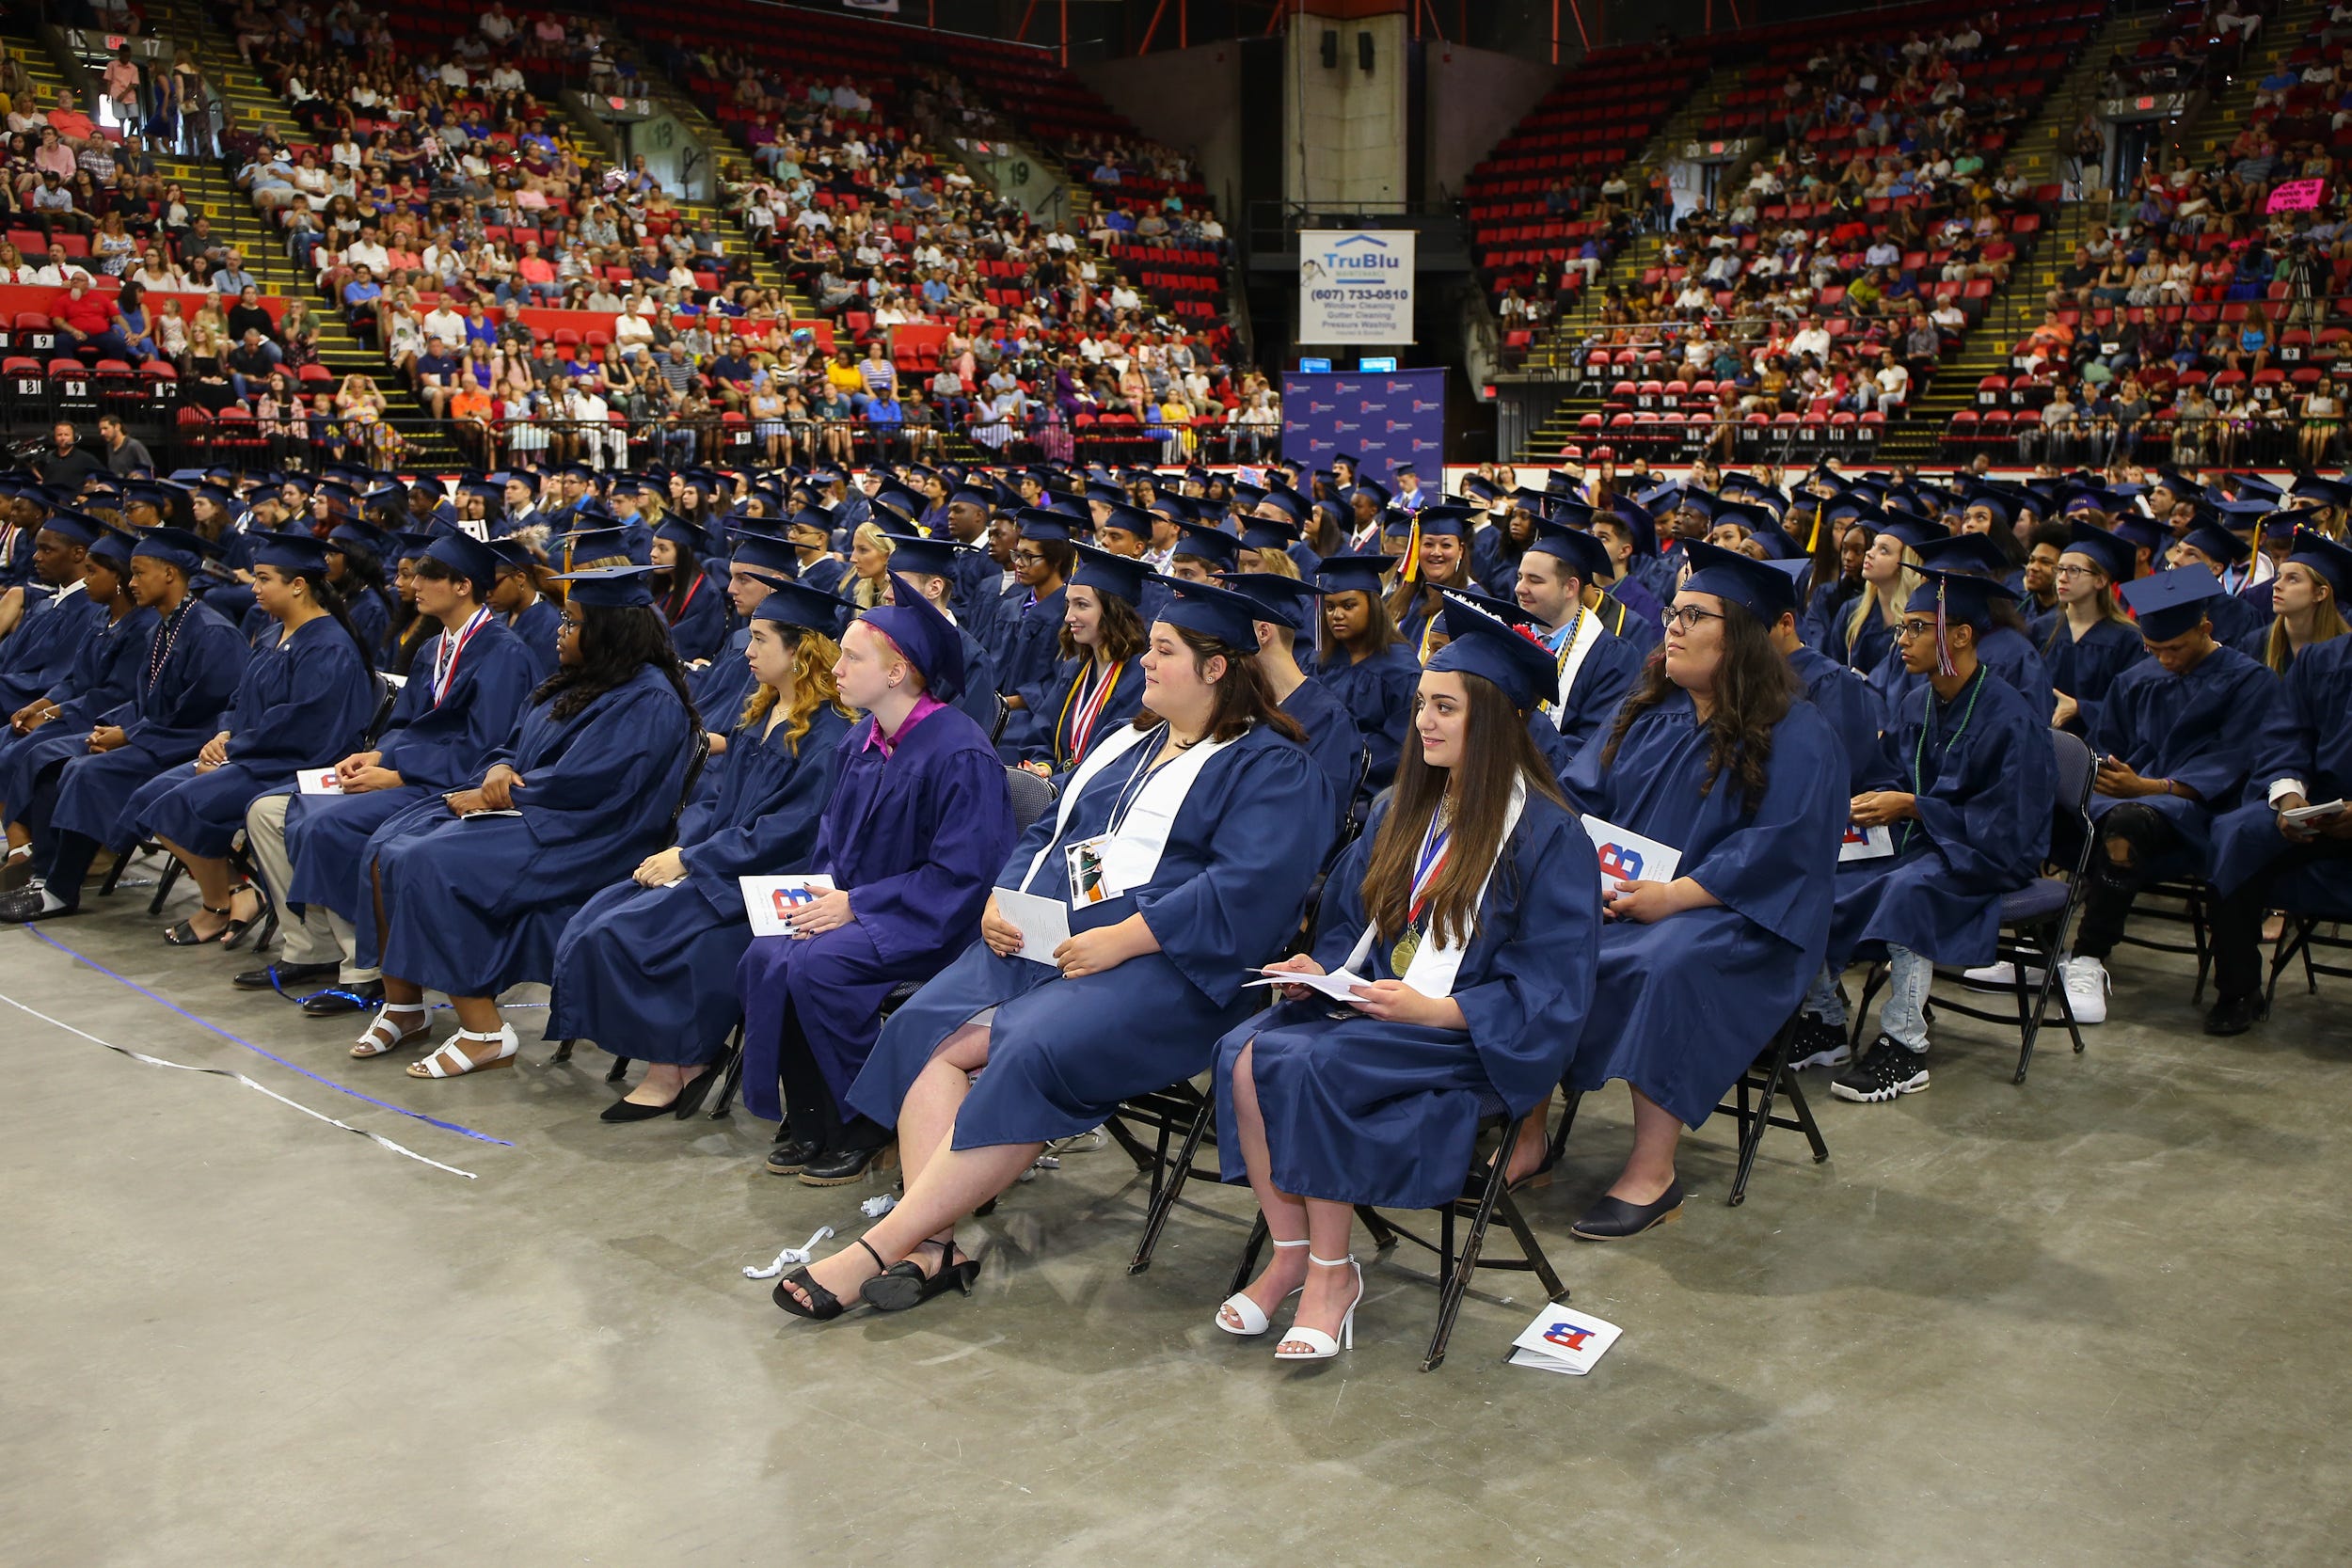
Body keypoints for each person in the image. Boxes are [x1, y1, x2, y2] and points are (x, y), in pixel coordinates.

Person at [771, 580, 1334, 1319]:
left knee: (1027, 1048)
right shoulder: (1127, 742)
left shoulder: (1272, 767)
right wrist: (999, 898)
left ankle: (878, 1246)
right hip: (1046, 940)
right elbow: (1047, 829)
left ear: (1217, 667)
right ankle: (936, 1247)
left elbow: (1244, 889)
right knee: (924, 1029)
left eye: (1164, 652)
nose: (1146, 665)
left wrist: (1122, 941)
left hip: (1169, 969)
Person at [1213, 594, 1601, 1359]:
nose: (1423, 721)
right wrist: (1317, 969)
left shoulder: (1552, 837)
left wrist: (1442, 1013)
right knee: (1243, 1053)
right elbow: (1350, 928)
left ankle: (1333, 1274)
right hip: (1380, 1008)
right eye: (1423, 703)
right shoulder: (1403, 808)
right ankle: (1291, 1251)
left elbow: (1554, 985)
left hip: (1467, 1037)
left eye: (1446, 708)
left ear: (1494, 720)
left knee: (1311, 1064)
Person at [1558, 544, 1845, 1239]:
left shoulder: (1797, 733)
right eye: (1673, 613)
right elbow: (1577, 798)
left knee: (1666, 962)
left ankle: (1654, 1171)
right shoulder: (1647, 711)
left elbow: (1779, 848)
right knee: (1545, 936)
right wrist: (1578, 874)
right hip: (1631, 900)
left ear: (1741, 634)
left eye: (1694, 614)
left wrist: (1675, 896)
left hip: (1741, 921)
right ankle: (1530, 1135)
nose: (1672, 627)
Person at [350, 564, 699, 1080]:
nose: (561, 632)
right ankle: (404, 1005)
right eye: (563, 620)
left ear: (609, 632)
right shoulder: (576, 681)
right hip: (531, 812)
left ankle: (485, 1031)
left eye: (573, 623)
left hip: (588, 834)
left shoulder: (647, 697)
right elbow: (510, 742)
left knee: (429, 861)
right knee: (386, 846)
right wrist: (497, 768)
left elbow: (592, 784)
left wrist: (503, 792)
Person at [734, 578, 1017, 1183]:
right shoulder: (862, 740)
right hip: (857, 906)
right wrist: (816, 895)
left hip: (933, 918)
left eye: (852, 657)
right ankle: (811, 1109)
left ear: (897, 673)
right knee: (767, 952)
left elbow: (964, 875)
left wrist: (855, 905)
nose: (835, 668)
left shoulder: (956, 750)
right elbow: (832, 843)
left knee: (820, 965)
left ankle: (870, 1116)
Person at [551, 580, 862, 1118]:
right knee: (595, 916)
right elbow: (712, 798)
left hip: (770, 883)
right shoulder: (758, 714)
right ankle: (674, 1055)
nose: (748, 650)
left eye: (762, 640)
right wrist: (685, 849)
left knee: (636, 935)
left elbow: (790, 832)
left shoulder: (831, 736)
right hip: (718, 864)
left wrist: (694, 860)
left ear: (801, 651)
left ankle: (677, 1062)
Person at [249, 533, 536, 1015]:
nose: (413, 584)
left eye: (427, 576)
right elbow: (405, 724)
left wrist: (400, 775)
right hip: (409, 773)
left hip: (448, 786)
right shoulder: (433, 648)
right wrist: (378, 757)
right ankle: (311, 949)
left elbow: (485, 747)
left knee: (325, 825)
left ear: (463, 586)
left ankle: (368, 970)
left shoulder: (503, 654)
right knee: (266, 811)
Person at [1804, 570, 2058, 1100]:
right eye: (1902, 629)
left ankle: (1905, 1046)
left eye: (1917, 629)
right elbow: (1892, 776)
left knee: (1908, 890)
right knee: (1815, 873)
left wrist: (1915, 807)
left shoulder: (2012, 716)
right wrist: (1868, 805)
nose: (1903, 641)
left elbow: (2010, 820)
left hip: (1989, 850)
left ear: (1960, 636)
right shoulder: (1917, 702)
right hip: (1924, 841)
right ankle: (1826, 1021)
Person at [120, 532, 377, 945]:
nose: (253, 588)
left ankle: (216, 906)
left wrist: (232, 752)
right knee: (148, 799)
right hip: (250, 755)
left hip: (291, 763)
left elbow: (302, 724)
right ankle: (239, 891)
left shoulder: (328, 646)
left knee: (181, 802)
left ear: (298, 584)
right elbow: (239, 698)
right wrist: (223, 734)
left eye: (263, 578)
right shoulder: (274, 633)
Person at [2058, 566, 2284, 1026]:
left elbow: (2236, 762)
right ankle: (2035, 944)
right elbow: (2108, 745)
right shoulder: (2137, 678)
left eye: (2176, 648)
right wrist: (2105, 772)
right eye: (2153, 647)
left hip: (2203, 810)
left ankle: (2087, 956)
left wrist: (2150, 786)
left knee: (2126, 825)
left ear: (2206, 628)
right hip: (2129, 796)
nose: (2164, 659)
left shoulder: (2250, 681)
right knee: (2048, 812)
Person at [0, 528, 248, 924]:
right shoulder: (164, 627)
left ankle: (60, 891)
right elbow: (143, 700)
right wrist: (112, 727)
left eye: (139, 572)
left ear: (169, 574)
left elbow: (200, 716)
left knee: (84, 770)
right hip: (153, 736)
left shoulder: (212, 633)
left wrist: (128, 735)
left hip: (188, 746)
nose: (130, 583)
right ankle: (43, 874)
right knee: (50, 760)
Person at [2204, 531, 2352, 1035]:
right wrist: (2290, 796)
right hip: (2316, 811)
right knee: (2235, 833)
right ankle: (2238, 988)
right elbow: (2287, 737)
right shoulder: (2322, 661)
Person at [0, 525, 153, 891]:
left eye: (92, 572)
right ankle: (21, 846)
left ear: (117, 577)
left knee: (33, 752)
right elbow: (73, 679)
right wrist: (39, 705)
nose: (85, 581)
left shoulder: (141, 627)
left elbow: (114, 694)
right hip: (77, 709)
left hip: (104, 718)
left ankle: (32, 851)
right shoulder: (102, 619)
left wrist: (52, 714)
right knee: (7, 736)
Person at [1218, 571, 1363, 834]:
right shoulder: (1236, 703)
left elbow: (1321, 820)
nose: (1223, 642)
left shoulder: (1327, 720)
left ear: (1263, 632)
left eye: (1231, 629)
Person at [1512, 520, 1645, 764]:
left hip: (1559, 790)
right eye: (1520, 577)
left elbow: (1593, 746)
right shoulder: (1507, 637)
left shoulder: (1612, 658)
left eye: (1535, 580)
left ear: (1570, 587)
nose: (1520, 588)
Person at [1016, 543, 1148, 777]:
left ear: (1112, 611)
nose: (1068, 617)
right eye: (1068, 604)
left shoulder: (1141, 680)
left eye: (1082, 605)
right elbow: (1042, 733)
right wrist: (1043, 766)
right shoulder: (1073, 669)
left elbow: (1120, 763)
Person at [1312, 552, 1420, 792]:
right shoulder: (1321, 662)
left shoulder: (1401, 670)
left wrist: (1343, 760)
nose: (1336, 615)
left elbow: (1401, 746)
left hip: (1370, 790)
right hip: (1318, 777)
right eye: (1329, 607)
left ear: (1372, 606)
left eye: (1349, 606)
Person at [2039, 523, 2147, 737]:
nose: (2062, 577)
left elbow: (2132, 703)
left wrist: (2081, 708)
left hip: (2101, 749)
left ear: (2100, 580)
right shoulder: (2040, 629)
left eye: (2074, 571)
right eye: (2060, 569)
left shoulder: (2128, 639)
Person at [650, 517, 724, 663]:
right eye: (653, 546)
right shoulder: (663, 583)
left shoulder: (706, 594)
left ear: (682, 554)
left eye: (662, 548)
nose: (653, 553)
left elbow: (690, 644)